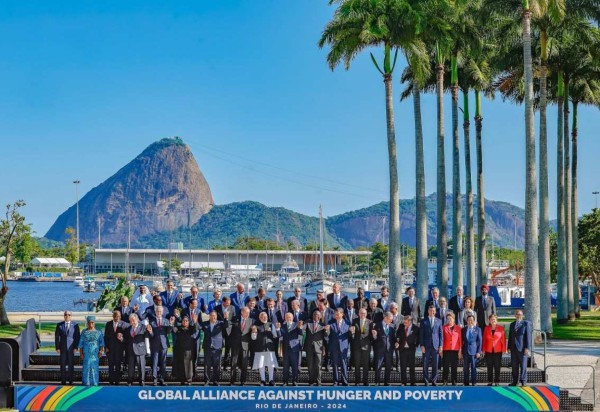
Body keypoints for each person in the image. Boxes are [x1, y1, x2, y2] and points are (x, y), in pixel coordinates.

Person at [200, 310, 229, 386]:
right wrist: (195, 320)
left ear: (216, 316)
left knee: (217, 365)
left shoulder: (220, 323)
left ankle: (216, 380)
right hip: (207, 347)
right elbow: (198, 327)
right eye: (212, 315)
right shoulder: (205, 323)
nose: (213, 317)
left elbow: (227, 325)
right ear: (209, 316)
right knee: (207, 365)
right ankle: (207, 380)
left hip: (217, 347)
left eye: (214, 316)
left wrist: (226, 318)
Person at [171, 314, 200, 385]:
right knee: (181, 366)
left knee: (189, 366)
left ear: (188, 322)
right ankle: (182, 379)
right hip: (180, 351)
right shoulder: (179, 328)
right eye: (184, 321)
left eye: (186, 321)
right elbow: (173, 330)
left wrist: (195, 321)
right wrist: (171, 324)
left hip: (189, 351)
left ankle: (189, 380)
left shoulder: (191, 328)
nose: (185, 322)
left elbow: (196, 329)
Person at [251, 311, 278, 386]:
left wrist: (272, 332)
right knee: (261, 365)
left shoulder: (271, 325)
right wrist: (253, 332)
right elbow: (253, 338)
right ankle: (263, 380)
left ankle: (271, 380)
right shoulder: (256, 325)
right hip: (260, 348)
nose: (264, 317)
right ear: (259, 318)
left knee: (271, 364)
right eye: (262, 316)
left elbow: (276, 336)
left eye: (265, 316)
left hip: (270, 348)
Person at [125, 313, 152, 386]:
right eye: (130, 321)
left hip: (140, 350)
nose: (132, 322)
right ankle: (130, 381)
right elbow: (126, 340)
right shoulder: (128, 328)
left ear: (137, 319)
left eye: (133, 320)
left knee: (141, 367)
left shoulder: (143, 327)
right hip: (131, 350)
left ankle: (142, 381)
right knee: (130, 367)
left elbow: (150, 336)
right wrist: (121, 339)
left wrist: (150, 331)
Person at [229, 307, 254, 385]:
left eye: (249, 312)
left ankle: (243, 381)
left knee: (244, 364)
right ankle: (232, 380)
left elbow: (252, 333)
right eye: (246, 312)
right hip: (235, 345)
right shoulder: (235, 319)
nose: (248, 314)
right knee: (233, 363)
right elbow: (230, 331)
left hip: (245, 345)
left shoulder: (251, 321)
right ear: (242, 312)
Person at [326, 308, 351, 386]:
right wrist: (326, 331)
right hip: (334, 347)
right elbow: (327, 335)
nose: (335, 315)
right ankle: (335, 381)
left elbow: (349, 336)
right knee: (335, 365)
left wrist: (352, 332)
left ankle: (344, 381)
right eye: (335, 314)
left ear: (342, 314)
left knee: (344, 364)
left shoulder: (347, 323)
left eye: (337, 314)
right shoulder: (330, 322)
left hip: (343, 347)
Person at [277, 312, 303, 386]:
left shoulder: (296, 325)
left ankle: (295, 381)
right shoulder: (283, 326)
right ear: (285, 318)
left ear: (292, 318)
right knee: (285, 367)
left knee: (295, 366)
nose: (289, 318)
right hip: (285, 349)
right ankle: (285, 381)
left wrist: (300, 327)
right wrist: (278, 329)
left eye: (290, 317)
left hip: (294, 349)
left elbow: (300, 334)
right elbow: (280, 338)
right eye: (287, 317)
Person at [508, 310, 532, 387]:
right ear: (515, 315)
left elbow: (528, 337)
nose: (519, 316)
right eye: (517, 314)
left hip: (522, 349)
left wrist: (527, 348)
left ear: (522, 315)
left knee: (523, 366)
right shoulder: (512, 324)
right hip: (513, 349)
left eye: (520, 314)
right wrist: (508, 347)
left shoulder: (526, 324)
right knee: (514, 366)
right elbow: (510, 336)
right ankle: (515, 381)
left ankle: (523, 381)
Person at [55, 310, 80, 385]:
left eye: (69, 315)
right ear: (64, 316)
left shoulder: (75, 325)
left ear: (71, 316)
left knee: (71, 364)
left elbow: (77, 337)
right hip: (62, 348)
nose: (67, 316)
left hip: (71, 348)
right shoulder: (59, 325)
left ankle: (71, 381)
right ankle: (63, 381)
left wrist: (76, 347)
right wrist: (57, 347)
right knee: (62, 364)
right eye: (65, 315)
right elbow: (56, 337)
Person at [420, 305, 443, 386]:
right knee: (425, 364)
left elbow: (441, 334)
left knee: (435, 364)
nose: (432, 312)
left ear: (435, 312)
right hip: (426, 346)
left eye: (433, 311)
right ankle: (426, 381)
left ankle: (434, 381)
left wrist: (441, 346)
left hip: (435, 346)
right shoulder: (423, 321)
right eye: (430, 311)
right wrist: (422, 345)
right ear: (428, 311)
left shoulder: (439, 321)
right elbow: (421, 334)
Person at [301, 310, 326, 386]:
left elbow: (326, 336)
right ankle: (311, 381)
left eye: (317, 314)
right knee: (310, 365)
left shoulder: (323, 325)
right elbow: (302, 330)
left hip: (319, 348)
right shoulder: (308, 323)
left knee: (318, 366)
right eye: (314, 314)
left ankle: (319, 382)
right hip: (309, 347)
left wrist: (327, 330)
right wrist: (300, 327)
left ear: (320, 316)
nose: (315, 316)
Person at [78, 316, 104, 386]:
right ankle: (86, 383)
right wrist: (81, 353)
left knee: (94, 368)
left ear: (94, 323)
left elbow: (102, 343)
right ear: (87, 323)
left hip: (95, 354)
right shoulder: (84, 332)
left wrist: (101, 351)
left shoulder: (99, 332)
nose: (91, 324)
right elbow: (81, 343)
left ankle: (94, 383)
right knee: (86, 368)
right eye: (89, 323)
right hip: (86, 354)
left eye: (92, 322)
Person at [149, 306, 171, 386]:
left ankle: (162, 379)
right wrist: (150, 331)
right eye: (157, 311)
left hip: (163, 344)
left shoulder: (166, 321)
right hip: (154, 344)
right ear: (155, 312)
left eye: (160, 311)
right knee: (154, 362)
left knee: (163, 363)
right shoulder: (151, 322)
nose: (159, 313)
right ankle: (154, 379)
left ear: (162, 312)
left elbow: (168, 332)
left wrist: (171, 324)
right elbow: (150, 335)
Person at [104, 310, 128, 385]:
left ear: (120, 316)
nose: (117, 317)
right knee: (110, 365)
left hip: (119, 349)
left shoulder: (124, 324)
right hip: (110, 349)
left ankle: (117, 381)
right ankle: (111, 381)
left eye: (118, 316)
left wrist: (122, 339)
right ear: (113, 316)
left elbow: (126, 339)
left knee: (118, 365)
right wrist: (106, 347)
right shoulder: (108, 324)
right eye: (115, 316)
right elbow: (105, 337)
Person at [373, 312, 397, 386]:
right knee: (378, 366)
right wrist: (374, 336)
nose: (391, 321)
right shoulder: (377, 325)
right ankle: (377, 382)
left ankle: (387, 382)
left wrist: (396, 342)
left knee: (388, 366)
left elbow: (394, 337)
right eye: (390, 319)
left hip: (389, 349)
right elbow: (374, 338)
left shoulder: (392, 326)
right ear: (385, 318)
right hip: (379, 349)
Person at [483, 314, 506, 386]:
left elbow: (503, 339)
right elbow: (484, 339)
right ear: (489, 320)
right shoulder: (486, 328)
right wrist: (483, 349)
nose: (493, 321)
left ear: (496, 320)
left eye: (494, 319)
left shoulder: (501, 328)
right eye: (491, 319)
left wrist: (504, 349)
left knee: (497, 366)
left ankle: (497, 381)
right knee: (489, 366)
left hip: (498, 350)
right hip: (488, 350)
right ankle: (490, 381)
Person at [350, 308, 372, 386]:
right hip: (357, 347)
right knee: (357, 365)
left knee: (366, 365)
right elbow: (352, 334)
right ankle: (357, 382)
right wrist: (351, 332)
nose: (363, 315)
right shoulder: (354, 321)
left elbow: (371, 336)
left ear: (366, 314)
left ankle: (365, 382)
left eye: (364, 313)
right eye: (361, 313)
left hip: (366, 346)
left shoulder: (370, 322)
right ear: (359, 314)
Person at [397, 315, 419, 386]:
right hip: (402, 349)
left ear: (410, 321)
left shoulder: (415, 328)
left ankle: (412, 381)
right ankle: (403, 382)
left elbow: (418, 338)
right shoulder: (401, 326)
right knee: (403, 366)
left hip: (411, 349)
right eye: (404, 321)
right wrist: (397, 342)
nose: (404, 322)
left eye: (405, 322)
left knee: (412, 366)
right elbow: (397, 335)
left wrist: (416, 345)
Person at [441, 312, 462, 386]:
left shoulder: (458, 328)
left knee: (454, 367)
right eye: (448, 319)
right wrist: (441, 349)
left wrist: (460, 351)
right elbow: (442, 339)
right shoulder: (443, 327)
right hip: (446, 350)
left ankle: (454, 381)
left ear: (454, 319)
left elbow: (460, 339)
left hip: (455, 350)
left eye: (450, 319)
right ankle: (445, 381)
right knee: (445, 366)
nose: (449, 320)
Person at [462, 314, 483, 386]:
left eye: (471, 320)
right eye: (468, 320)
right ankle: (466, 382)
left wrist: (478, 351)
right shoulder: (464, 329)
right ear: (466, 321)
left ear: (474, 321)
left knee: (473, 367)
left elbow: (480, 341)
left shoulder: (478, 329)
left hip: (474, 352)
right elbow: (462, 341)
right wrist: (461, 351)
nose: (470, 321)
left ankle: (474, 382)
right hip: (465, 351)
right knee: (465, 368)